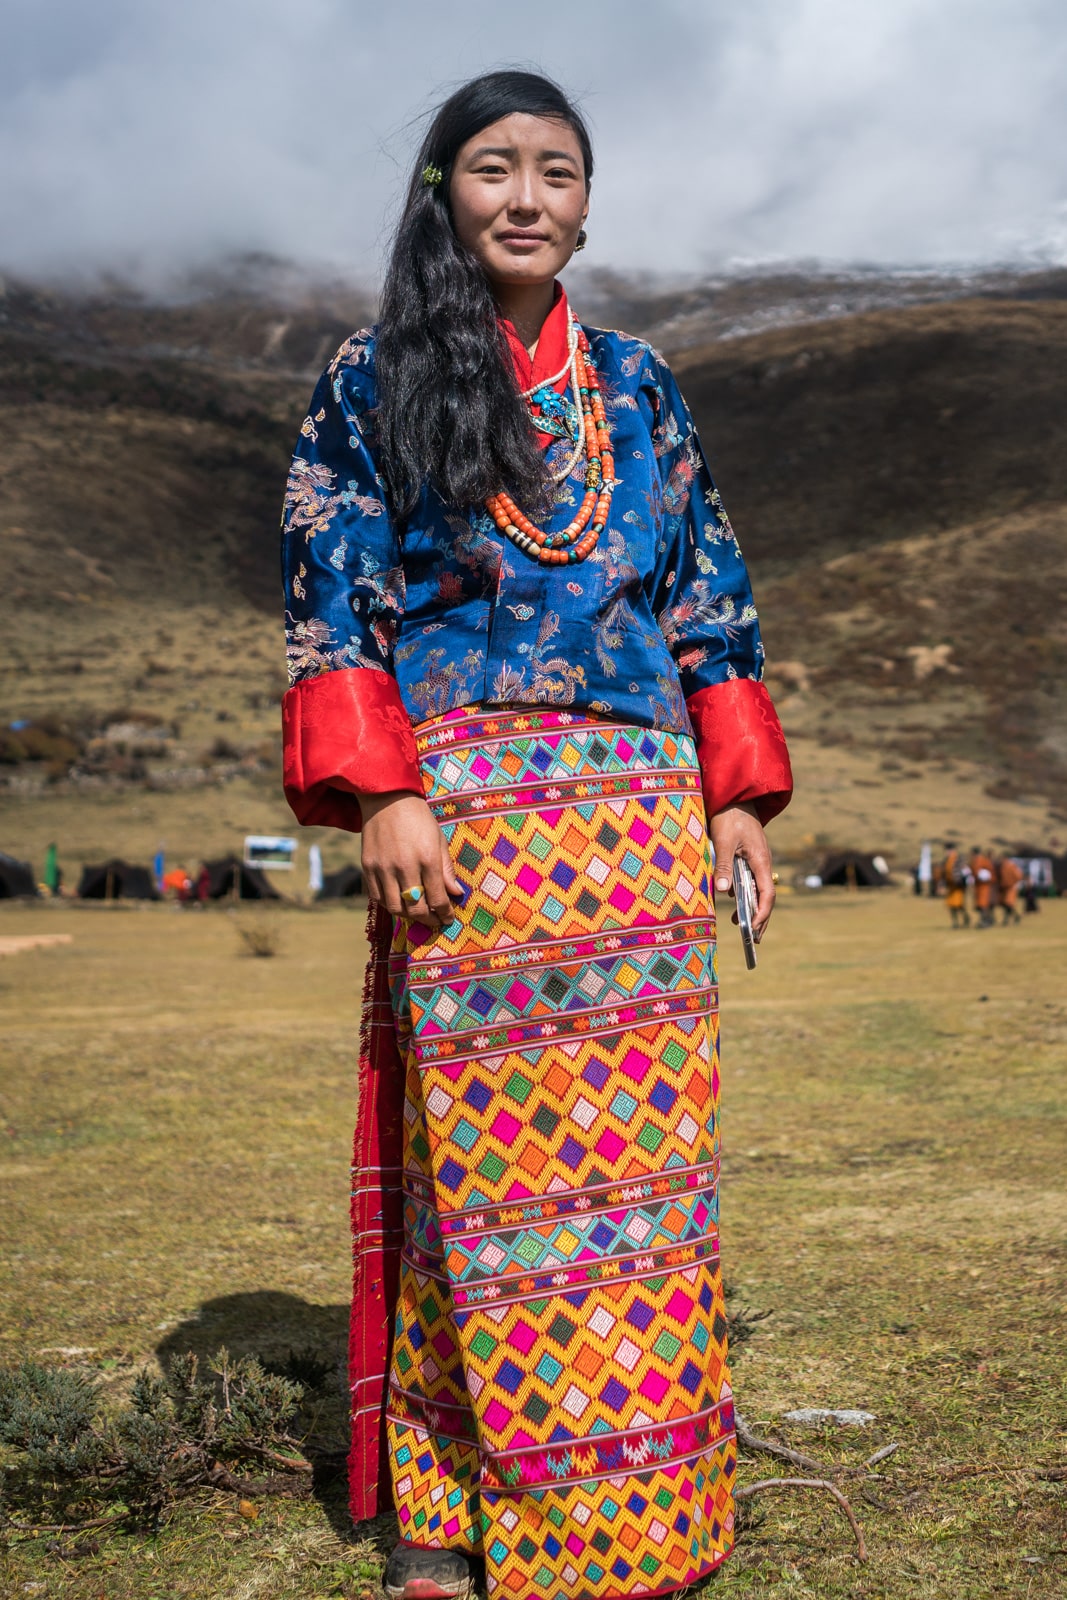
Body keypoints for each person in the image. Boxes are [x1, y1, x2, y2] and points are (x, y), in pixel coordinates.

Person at [280, 71, 792, 1600]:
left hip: (634, 832)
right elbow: (332, 601)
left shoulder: (636, 385)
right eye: (493, 169)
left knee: (638, 1187)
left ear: (586, 199)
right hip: (466, 828)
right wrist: (384, 791)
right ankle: (447, 1519)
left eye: (554, 172)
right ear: (442, 189)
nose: (525, 198)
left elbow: (706, 600)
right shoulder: (368, 380)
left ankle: (637, 1524)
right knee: (482, 1187)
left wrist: (740, 800)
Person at [941, 842, 970, 928]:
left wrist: (963, 882)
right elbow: (944, 874)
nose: (948, 852)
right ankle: (955, 922)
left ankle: (966, 918)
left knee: (959, 904)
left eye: (949, 850)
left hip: (958, 886)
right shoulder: (946, 860)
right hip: (950, 886)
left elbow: (965, 872)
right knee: (951, 905)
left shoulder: (958, 859)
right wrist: (942, 885)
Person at [970, 846, 995, 928]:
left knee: (983, 904)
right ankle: (984, 920)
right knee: (981, 905)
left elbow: (990, 872)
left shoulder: (981, 860)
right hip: (979, 886)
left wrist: (985, 877)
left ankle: (986, 921)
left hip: (983, 886)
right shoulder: (978, 860)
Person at [996, 854, 1023, 924]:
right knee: (1004, 904)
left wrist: (1012, 883)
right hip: (1003, 888)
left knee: (1009, 903)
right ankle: (1010, 917)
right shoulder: (1001, 866)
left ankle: (1011, 917)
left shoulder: (1011, 866)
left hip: (1011, 887)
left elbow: (1018, 876)